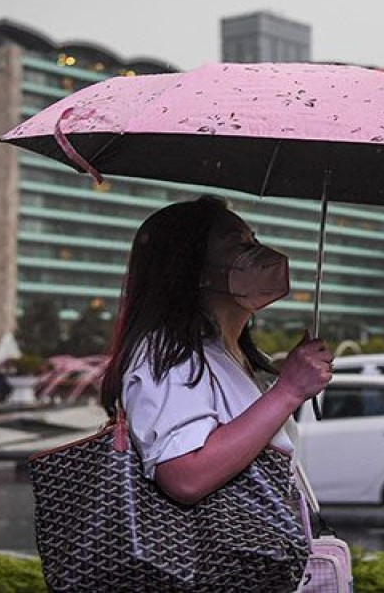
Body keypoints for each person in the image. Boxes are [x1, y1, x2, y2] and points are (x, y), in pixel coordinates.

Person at [97, 195, 333, 588]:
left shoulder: (232, 356)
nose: (261, 254)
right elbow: (185, 474)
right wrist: (289, 391)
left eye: (254, 239)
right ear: (193, 268)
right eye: (240, 244)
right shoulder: (169, 352)